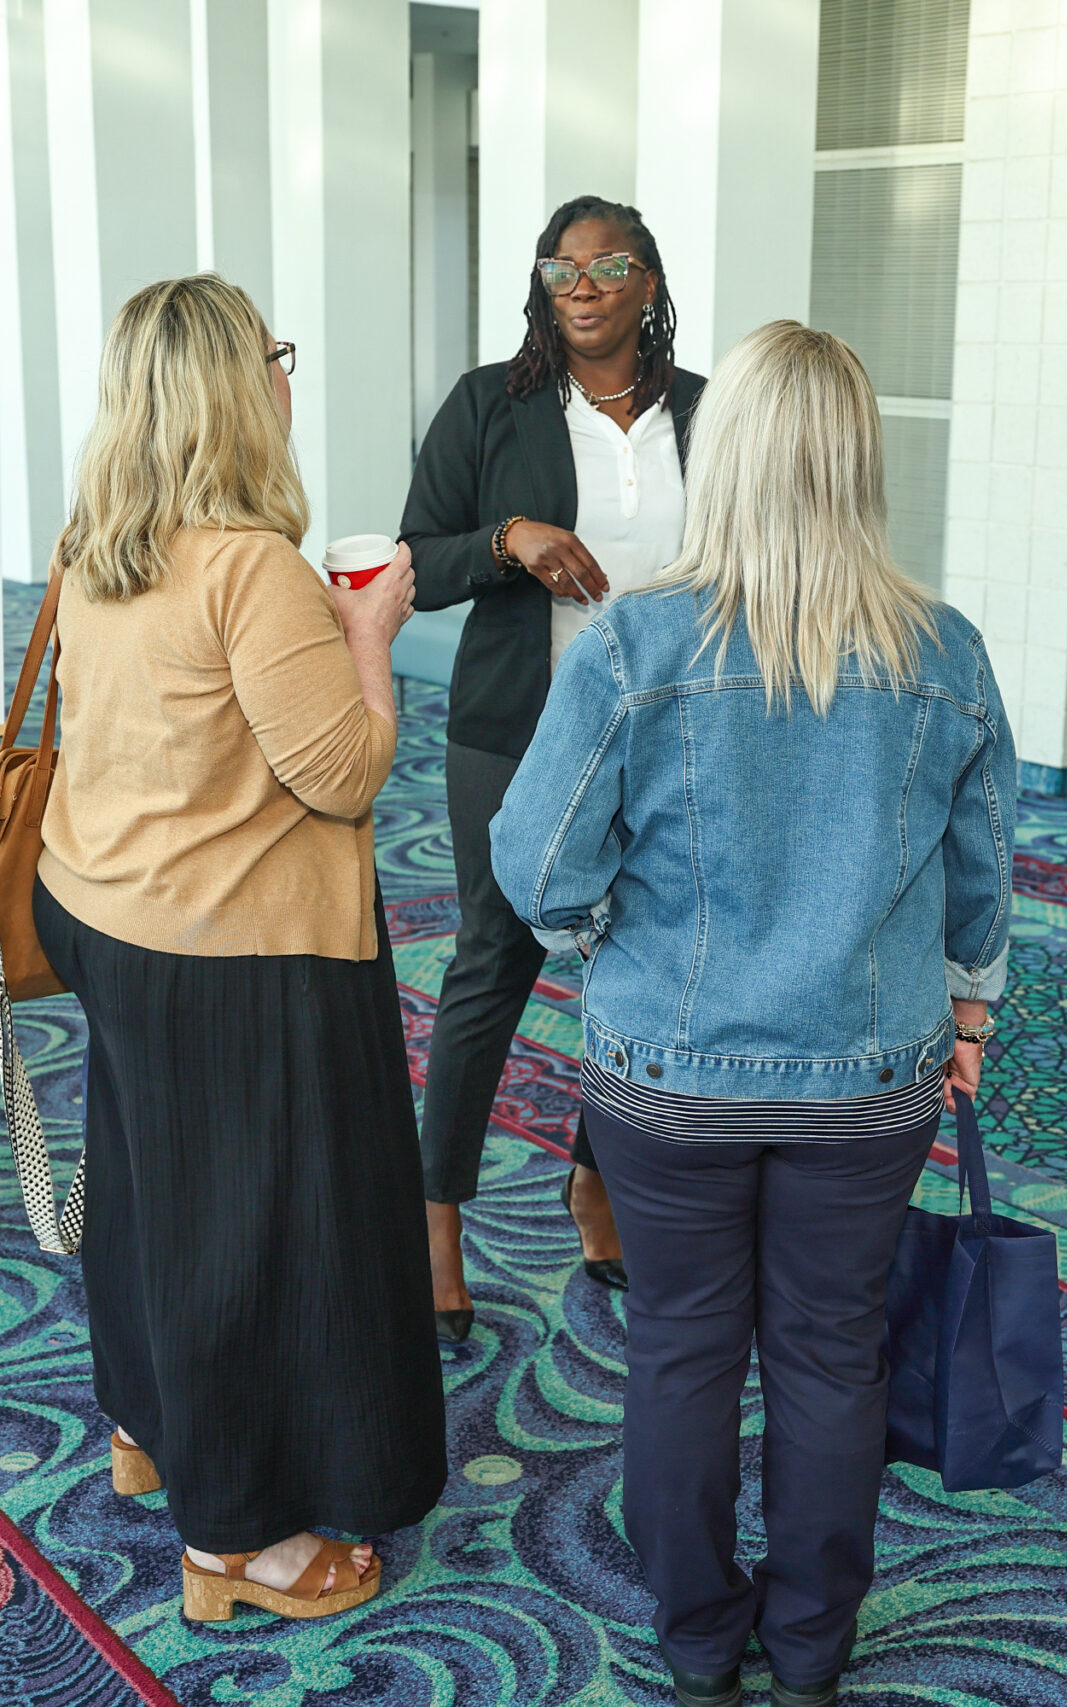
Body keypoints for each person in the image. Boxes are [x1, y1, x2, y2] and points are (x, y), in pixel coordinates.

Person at [491, 321, 1016, 1707]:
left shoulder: (636, 643)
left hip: (668, 1077)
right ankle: (811, 1650)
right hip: (871, 1078)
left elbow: (536, 862)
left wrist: (599, 946)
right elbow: (981, 876)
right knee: (832, 1355)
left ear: (718, 457)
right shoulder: (945, 651)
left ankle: (697, 1644)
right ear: (860, 461)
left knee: (681, 1351)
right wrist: (968, 1011)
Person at [31, 274, 446, 1621]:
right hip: (230, 945)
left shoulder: (100, 542)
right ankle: (239, 1539)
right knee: (251, 1236)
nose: (285, 373)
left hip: (103, 908)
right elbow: (345, 770)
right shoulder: (249, 563)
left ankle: (149, 1427)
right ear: (237, 385)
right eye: (275, 352)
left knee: (152, 1194)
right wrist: (368, 634)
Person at [401, 195, 708, 1341]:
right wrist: (506, 540)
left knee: (650, 967)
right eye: (560, 267)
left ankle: (594, 1179)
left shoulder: (705, 412)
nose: (581, 284)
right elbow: (417, 560)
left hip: (670, 732)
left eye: (608, 265)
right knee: (494, 962)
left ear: (647, 282)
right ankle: (436, 1216)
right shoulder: (492, 403)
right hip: (519, 729)